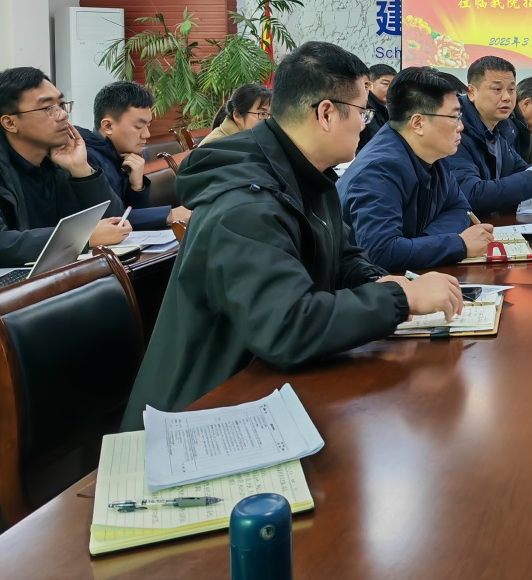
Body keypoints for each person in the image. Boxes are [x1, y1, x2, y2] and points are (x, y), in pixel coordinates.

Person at [123, 42, 463, 424]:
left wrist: (375, 280)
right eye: (362, 112)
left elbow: (342, 255)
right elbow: (287, 326)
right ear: (326, 113)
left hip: (265, 388)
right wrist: (399, 298)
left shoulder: (307, 176)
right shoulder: (245, 203)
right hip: (201, 412)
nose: (365, 125)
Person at [0, 67, 128, 270]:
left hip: (65, 273)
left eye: (61, 104)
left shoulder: (59, 159)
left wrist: (82, 172)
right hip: (12, 282)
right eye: (48, 108)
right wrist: (81, 237)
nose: (63, 115)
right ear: (10, 122)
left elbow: (114, 221)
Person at [338, 67, 493, 272]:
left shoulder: (433, 155)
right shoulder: (379, 170)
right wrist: (459, 245)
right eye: (454, 117)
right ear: (418, 123)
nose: (461, 126)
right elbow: (381, 253)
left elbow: (460, 209)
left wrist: (420, 244)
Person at [446, 56, 532, 215]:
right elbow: (471, 194)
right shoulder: (455, 130)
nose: (507, 97)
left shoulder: (501, 128)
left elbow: (519, 168)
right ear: (472, 92)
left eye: (511, 90)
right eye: (497, 89)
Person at [80, 81, 191, 230]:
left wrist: (137, 187)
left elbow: (131, 220)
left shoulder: (121, 155)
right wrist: (169, 215)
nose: (147, 134)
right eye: (138, 127)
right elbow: (110, 222)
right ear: (108, 126)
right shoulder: (86, 159)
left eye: (148, 125)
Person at [199, 83, 272, 147]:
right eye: (262, 114)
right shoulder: (216, 144)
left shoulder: (248, 139)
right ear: (237, 116)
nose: (268, 121)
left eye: (270, 115)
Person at [356, 63, 397, 153]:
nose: (391, 89)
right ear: (370, 85)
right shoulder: (366, 108)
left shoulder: (386, 108)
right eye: (385, 84)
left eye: (394, 85)